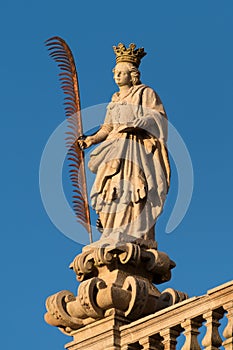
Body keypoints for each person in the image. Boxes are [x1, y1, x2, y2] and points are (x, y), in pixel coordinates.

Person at [78, 43, 170, 242]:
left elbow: (158, 117)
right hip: (114, 146)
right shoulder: (114, 100)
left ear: (133, 74)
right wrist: (92, 139)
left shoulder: (145, 93)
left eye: (122, 72)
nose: (117, 76)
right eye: (115, 72)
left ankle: (134, 230)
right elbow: (107, 128)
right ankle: (112, 228)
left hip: (135, 146)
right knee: (110, 186)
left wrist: (141, 122)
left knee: (133, 187)